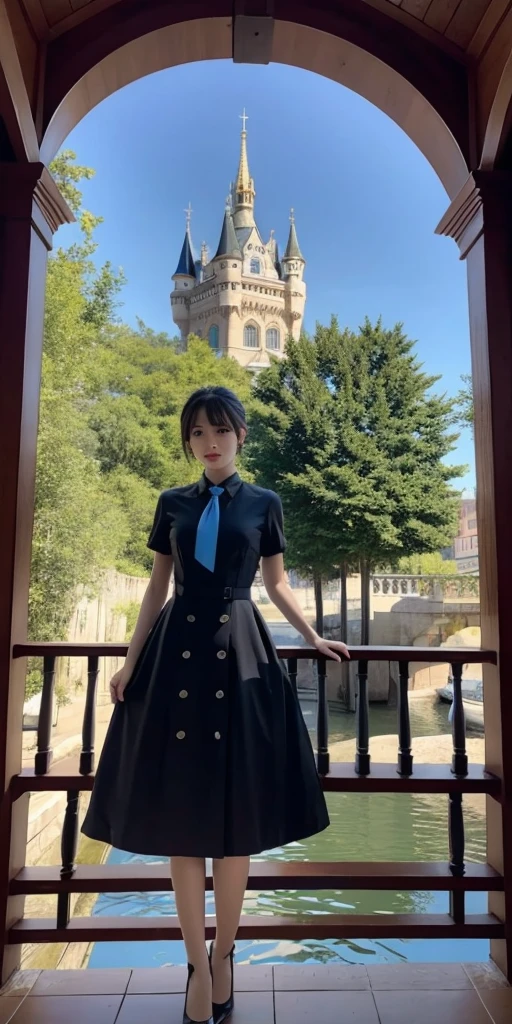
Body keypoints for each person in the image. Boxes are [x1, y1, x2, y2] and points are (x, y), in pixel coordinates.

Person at [81, 385, 350, 1024]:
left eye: (220, 431)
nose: (209, 442)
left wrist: (312, 637)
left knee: (235, 826)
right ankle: (196, 964)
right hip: (176, 650)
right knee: (181, 819)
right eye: (198, 432)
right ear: (190, 440)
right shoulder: (172, 501)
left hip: (241, 644)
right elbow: (156, 588)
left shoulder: (264, 502)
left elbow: (276, 582)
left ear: (240, 435)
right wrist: (129, 661)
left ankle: (225, 955)